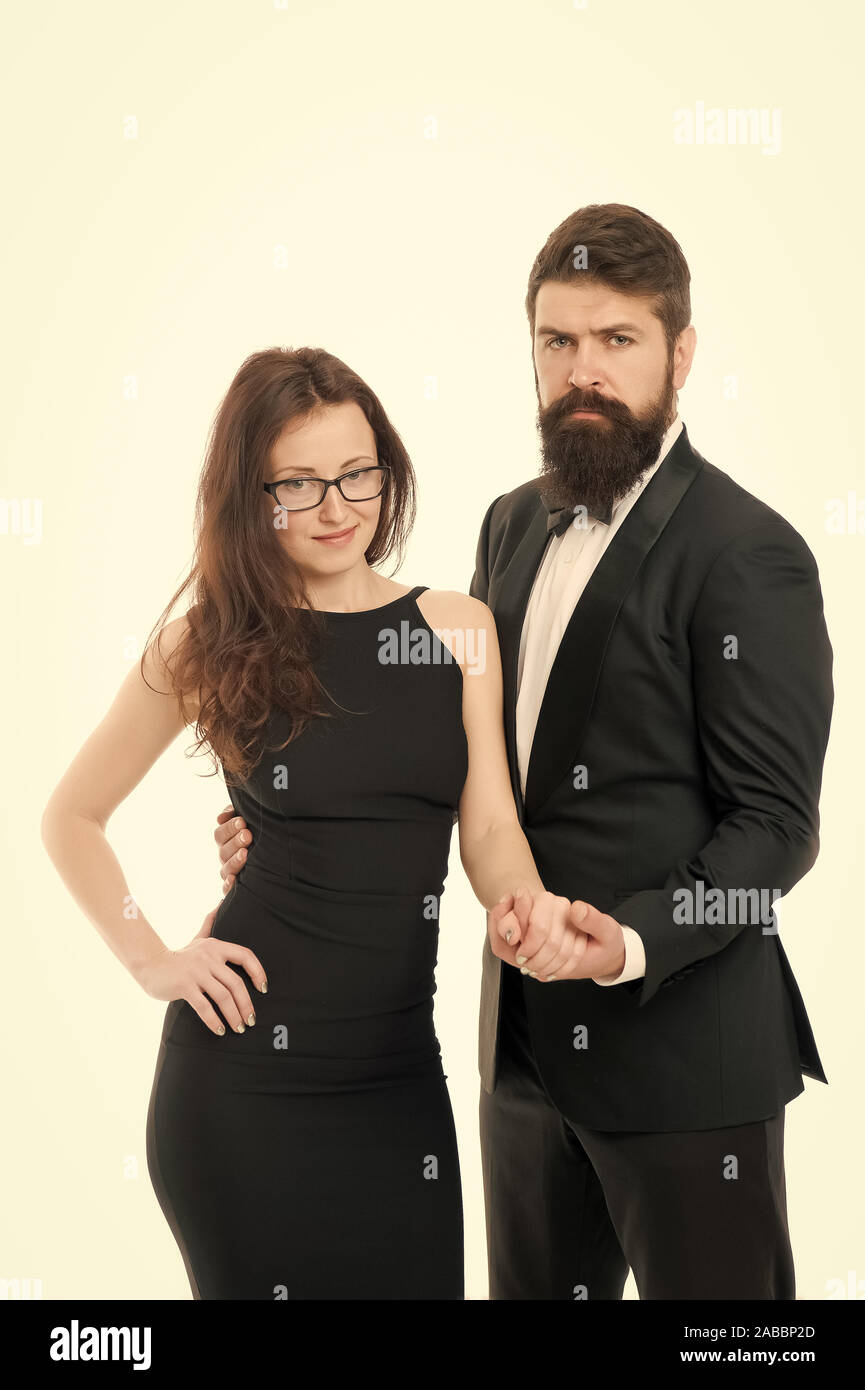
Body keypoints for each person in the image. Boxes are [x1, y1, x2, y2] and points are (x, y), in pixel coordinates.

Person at [219, 206, 834, 1300]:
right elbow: (464, 773)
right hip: (521, 1062)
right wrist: (298, 829)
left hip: (688, 1068)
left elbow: (778, 830)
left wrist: (628, 941)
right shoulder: (511, 523)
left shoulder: (748, 553)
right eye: (558, 342)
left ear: (680, 354)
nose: (582, 370)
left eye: (617, 340)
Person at [40, 345, 602, 1301]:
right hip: (239, 1088)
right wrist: (152, 959)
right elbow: (72, 816)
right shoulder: (208, 639)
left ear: (387, 469)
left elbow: (491, 831)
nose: (337, 507)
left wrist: (522, 908)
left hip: (397, 1082)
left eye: (356, 473)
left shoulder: (459, 629)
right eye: (297, 484)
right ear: (250, 494)